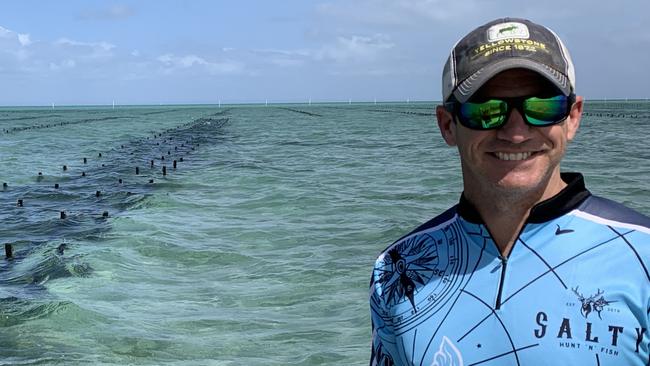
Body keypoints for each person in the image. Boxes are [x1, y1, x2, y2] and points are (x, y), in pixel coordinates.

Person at [369, 17, 650, 365]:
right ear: (447, 125)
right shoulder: (398, 269)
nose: (516, 132)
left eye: (542, 107)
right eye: (487, 111)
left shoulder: (642, 254)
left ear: (573, 117)